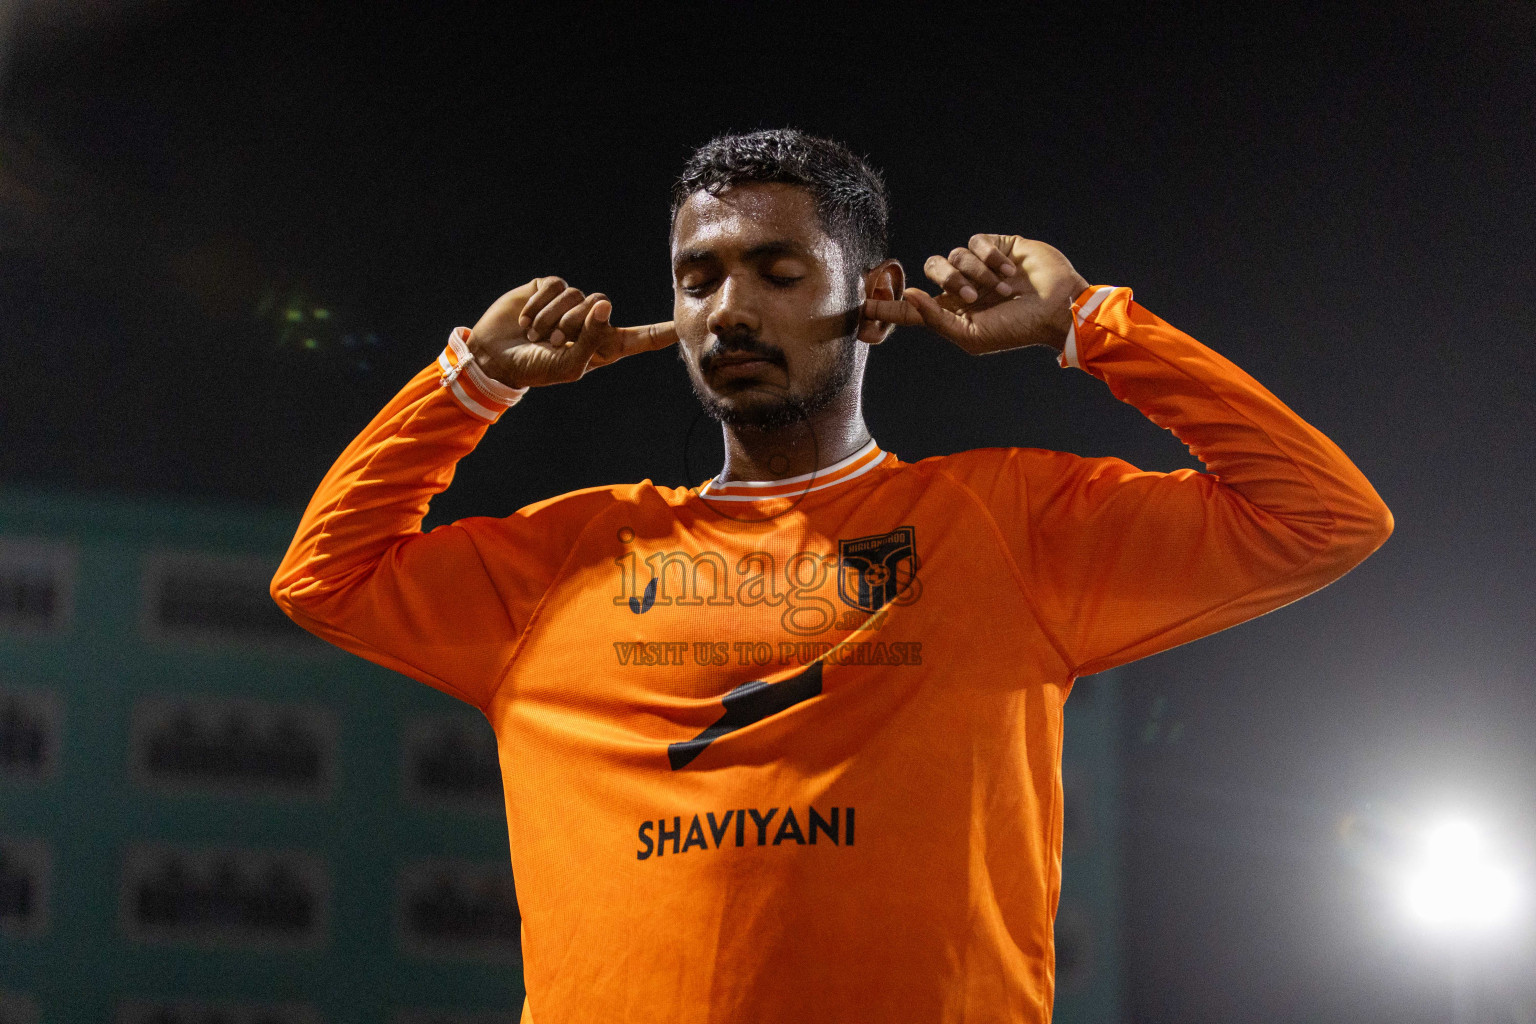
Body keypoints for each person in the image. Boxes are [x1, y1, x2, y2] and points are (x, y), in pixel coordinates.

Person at [270, 129, 1392, 1023]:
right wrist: (467, 382)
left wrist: (1091, 328)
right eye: (697, 276)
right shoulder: (572, 560)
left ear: (879, 293)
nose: (729, 308)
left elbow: (1323, 515)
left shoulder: (1007, 529)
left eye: (777, 268)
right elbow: (325, 576)